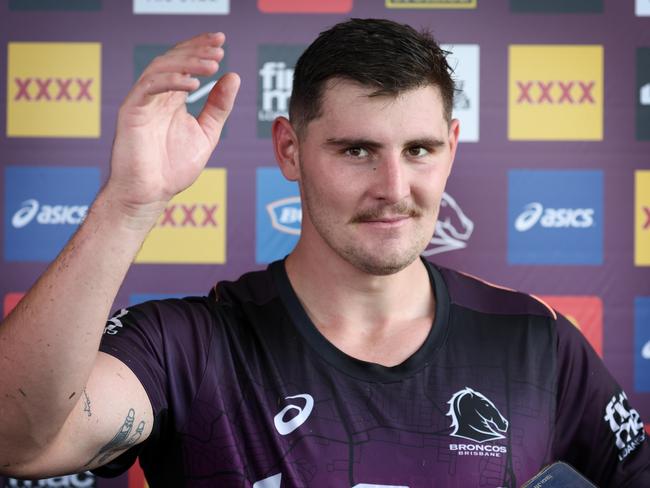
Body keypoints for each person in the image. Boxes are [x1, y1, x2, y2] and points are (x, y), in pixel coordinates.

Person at [0, 18, 648, 488]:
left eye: (418, 150)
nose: (394, 189)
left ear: (451, 146)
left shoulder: (535, 340)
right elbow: (17, 442)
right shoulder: (186, 346)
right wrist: (130, 203)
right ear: (289, 150)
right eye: (356, 150)